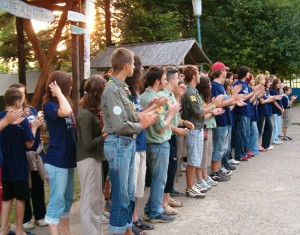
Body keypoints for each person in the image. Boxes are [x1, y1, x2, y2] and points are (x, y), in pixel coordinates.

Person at [101, 48, 157, 235]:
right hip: (119, 144)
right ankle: (118, 231)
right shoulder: (112, 89)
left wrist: (144, 119)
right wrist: (141, 125)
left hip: (126, 144)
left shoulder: (122, 88)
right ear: (126, 66)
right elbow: (120, 125)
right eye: (133, 63)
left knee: (128, 194)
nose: (135, 67)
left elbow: (132, 117)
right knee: (120, 196)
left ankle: (127, 230)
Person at [140, 66, 179, 223]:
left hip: (150, 143)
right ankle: (155, 212)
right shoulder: (156, 99)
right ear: (157, 81)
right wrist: (172, 113)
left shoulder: (144, 96)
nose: (165, 81)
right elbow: (162, 127)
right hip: (158, 142)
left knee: (157, 178)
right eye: (164, 79)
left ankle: (151, 208)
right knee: (159, 178)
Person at [9, 84, 48, 230]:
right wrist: (27, 122)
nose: (22, 96)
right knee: (25, 186)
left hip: (36, 153)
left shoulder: (30, 109)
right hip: (23, 154)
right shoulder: (12, 114)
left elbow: (41, 129)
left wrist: (40, 122)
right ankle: (26, 218)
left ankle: (40, 216)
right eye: (19, 93)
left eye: (23, 93)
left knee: (38, 185)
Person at [43, 71, 76, 235]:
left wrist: (61, 95)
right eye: (67, 85)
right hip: (56, 161)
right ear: (60, 87)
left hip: (68, 160)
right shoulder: (49, 106)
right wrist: (59, 94)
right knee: (57, 199)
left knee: (68, 198)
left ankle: (66, 231)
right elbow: (67, 112)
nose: (70, 87)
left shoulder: (63, 102)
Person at [0, 88, 37, 235]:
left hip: (5, 165)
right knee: (21, 198)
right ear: (17, 102)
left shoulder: (1, 118)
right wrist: (33, 127)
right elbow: (29, 144)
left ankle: (3, 228)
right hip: (19, 165)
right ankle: (20, 229)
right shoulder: (22, 121)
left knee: (7, 198)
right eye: (21, 103)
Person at [181, 65, 223, 198]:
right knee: (193, 160)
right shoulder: (190, 92)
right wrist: (214, 105)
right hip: (193, 129)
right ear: (193, 76)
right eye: (198, 73)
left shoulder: (193, 91)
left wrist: (213, 104)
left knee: (196, 159)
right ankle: (189, 187)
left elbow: (201, 110)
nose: (199, 76)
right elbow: (199, 112)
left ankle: (192, 185)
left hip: (197, 129)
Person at [158, 67, 194, 215]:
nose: (180, 80)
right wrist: (178, 129)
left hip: (171, 136)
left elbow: (175, 118)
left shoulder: (171, 95)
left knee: (172, 168)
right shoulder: (162, 96)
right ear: (172, 79)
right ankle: (163, 202)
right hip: (166, 136)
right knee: (166, 171)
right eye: (178, 77)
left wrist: (184, 123)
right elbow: (162, 121)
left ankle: (167, 197)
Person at [76, 75, 107, 234]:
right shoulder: (85, 114)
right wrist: (102, 137)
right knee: (89, 201)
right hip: (87, 159)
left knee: (95, 200)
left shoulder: (91, 111)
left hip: (94, 158)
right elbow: (87, 143)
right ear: (97, 92)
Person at [209, 62, 243, 181]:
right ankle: (214, 172)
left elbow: (225, 102)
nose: (226, 72)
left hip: (226, 119)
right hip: (220, 120)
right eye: (224, 70)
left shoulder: (220, 86)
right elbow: (218, 104)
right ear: (219, 71)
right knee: (219, 147)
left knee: (222, 147)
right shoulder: (214, 86)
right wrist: (234, 97)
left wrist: (235, 100)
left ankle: (218, 170)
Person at [233, 66, 260, 161]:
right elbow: (242, 97)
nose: (249, 74)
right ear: (244, 73)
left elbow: (248, 97)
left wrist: (253, 93)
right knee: (241, 133)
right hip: (241, 112)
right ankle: (239, 154)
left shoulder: (246, 84)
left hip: (247, 111)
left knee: (246, 133)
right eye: (248, 72)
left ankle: (244, 152)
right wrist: (254, 92)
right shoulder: (238, 84)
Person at [270, 78, 284, 145]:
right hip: (275, 110)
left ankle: (276, 138)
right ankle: (274, 139)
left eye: (280, 83)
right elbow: (274, 101)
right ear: (275, 84)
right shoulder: (273, 91)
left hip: (279, 110)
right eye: (278, 83)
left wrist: (282, 108)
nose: (280, 84)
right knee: (276, 125)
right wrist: (280, 109)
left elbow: (280, 101)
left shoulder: (278, 91)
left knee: (279, 125)